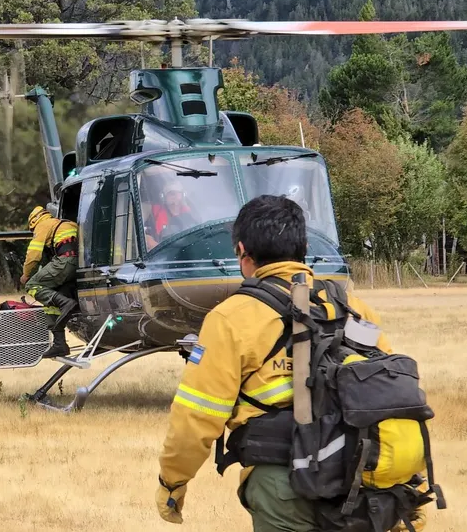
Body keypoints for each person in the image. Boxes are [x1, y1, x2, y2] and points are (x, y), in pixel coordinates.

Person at [154, 194, 425, 531]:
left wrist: (172, 483)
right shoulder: (353, 308)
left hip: (282, 485)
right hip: (362, 483)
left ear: (242, 252)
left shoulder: (229, 318)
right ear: (304, 247)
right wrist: (409, 483)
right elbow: (392, 399)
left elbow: (196, 416)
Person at [21, 206, 78, 358]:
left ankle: (66, 304)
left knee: (32, 285)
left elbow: (34, 254)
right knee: (53, 301)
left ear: (33, 222)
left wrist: (26, 274)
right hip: (78, 266)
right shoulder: (68, 224)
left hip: (65, 261)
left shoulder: (42, 225)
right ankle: (60, 344)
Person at [144, 180, 197, 248]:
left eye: (178, 193)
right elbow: (145, 235)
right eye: (171, 193)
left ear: (183, 195)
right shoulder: (155, 212)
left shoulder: (190, 213)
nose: (175, 197)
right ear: (163, 197)